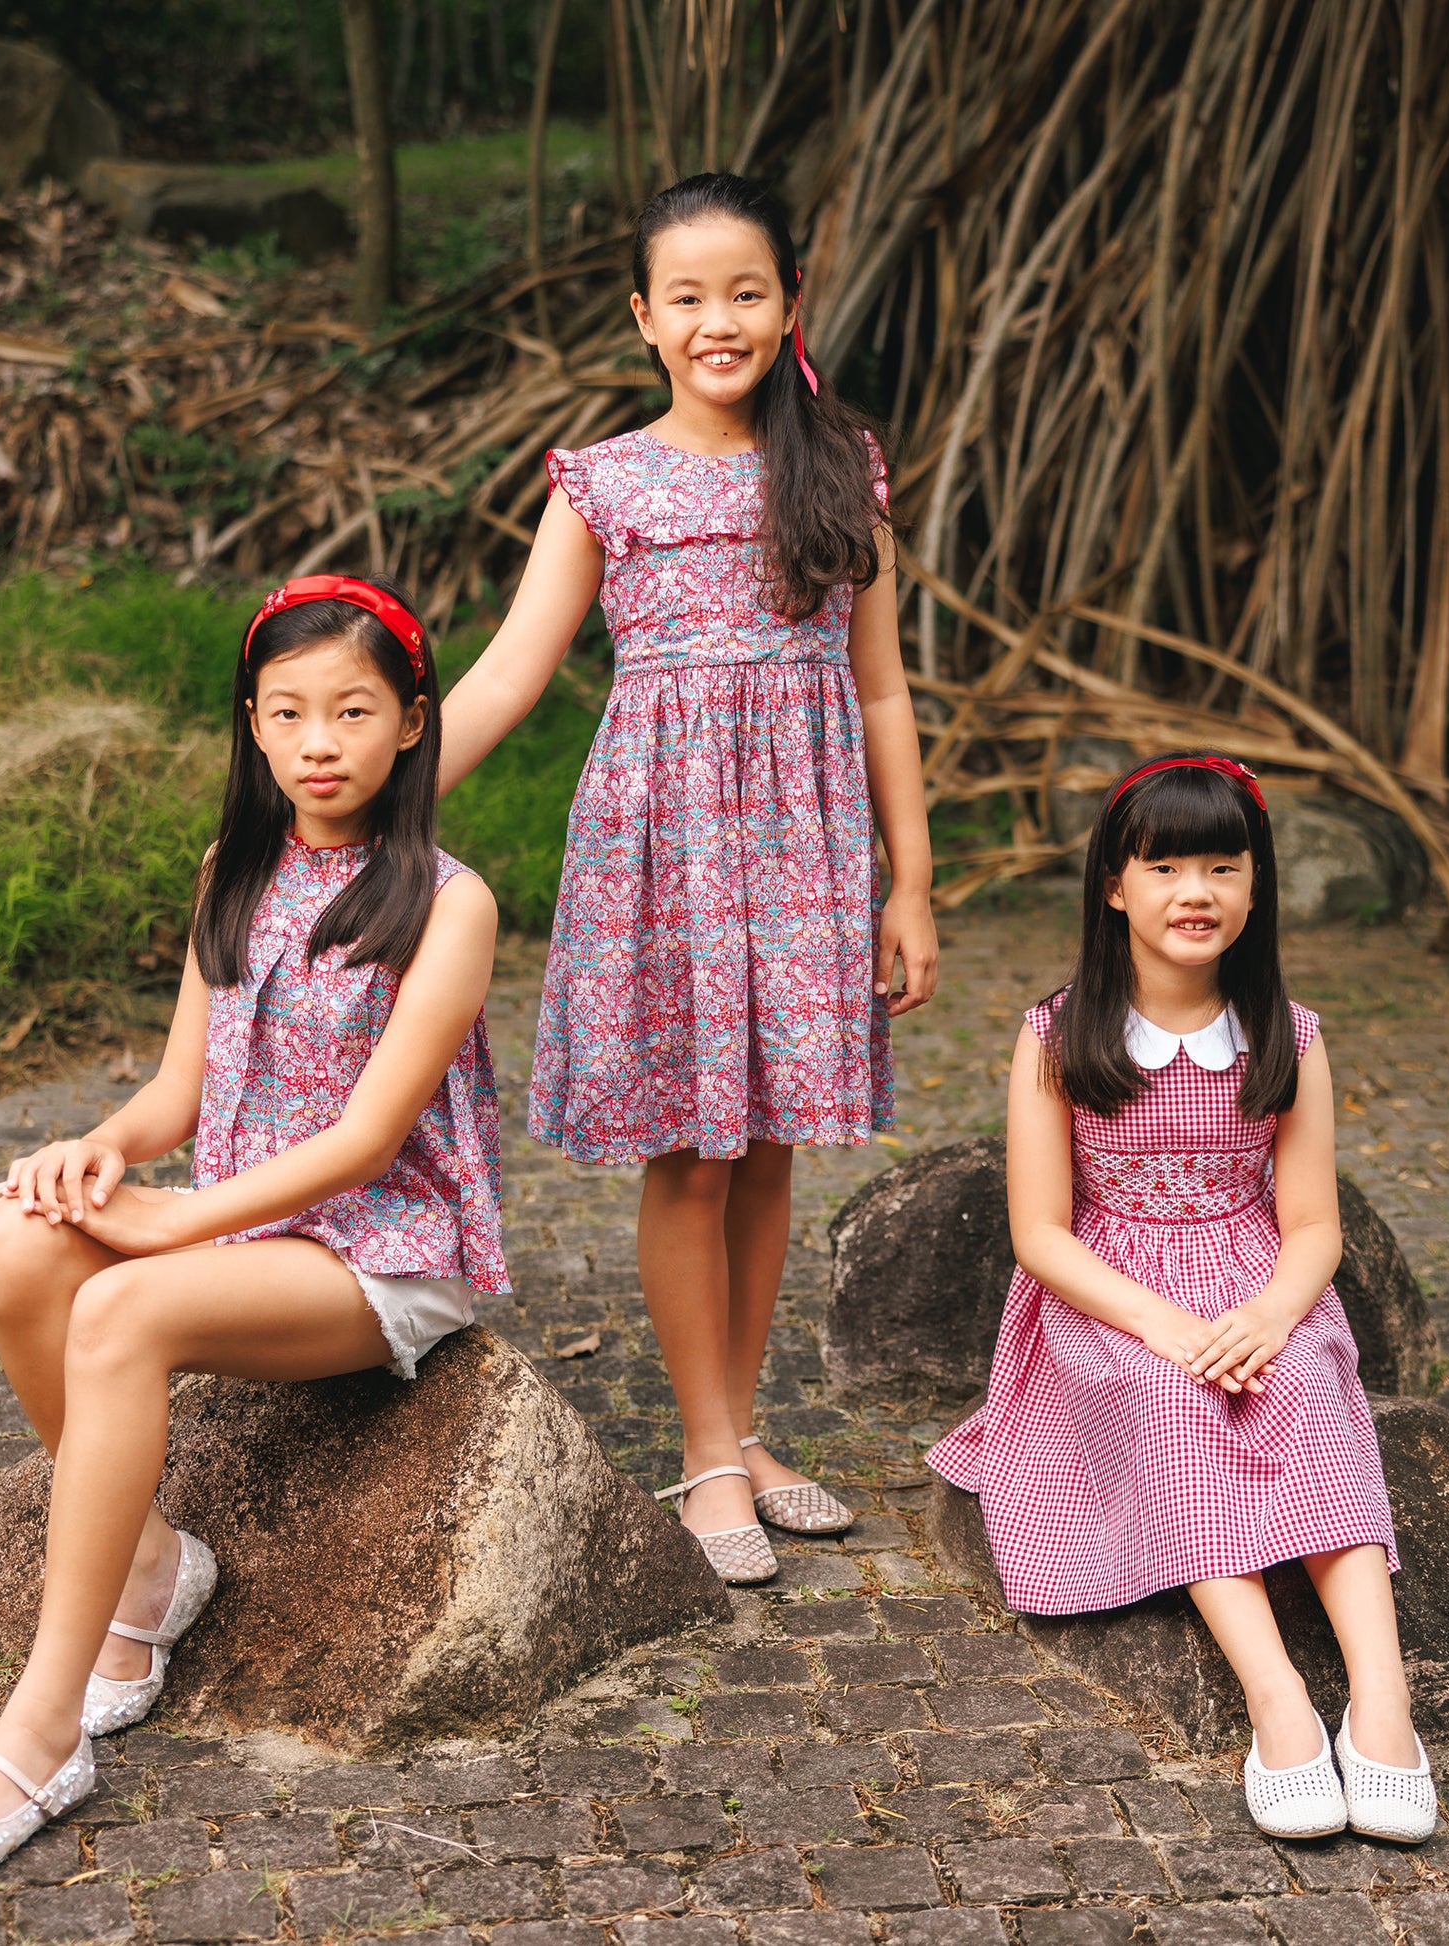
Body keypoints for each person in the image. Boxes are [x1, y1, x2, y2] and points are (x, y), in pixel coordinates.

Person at [0, 574, 507, 1878]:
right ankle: (155, 1568)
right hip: (236, 1232)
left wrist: (173, 1224)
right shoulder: (234, 868)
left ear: (410, 722)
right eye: (288, 711)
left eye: (352, 709)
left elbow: (364, 1143)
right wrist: (100, 1151)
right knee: (14, 1241)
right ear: (254, 724)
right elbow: (179, 1089)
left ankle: (44, 1728)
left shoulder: (450, 902)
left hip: (378, 1250)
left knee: (119, 1305)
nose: (319, 741)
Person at [437, 172, 938, 1584]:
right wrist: (357, 799)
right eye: (688, 297)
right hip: (664, 846)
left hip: (806, 845)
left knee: (767, 1142)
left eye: (746, 292)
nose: (719, 320)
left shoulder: (841, 467)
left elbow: (881, 689)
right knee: (694, 1153)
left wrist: (909, 882)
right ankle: (707, 1450)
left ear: (789, 306)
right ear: (643, 319)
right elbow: (508, 674)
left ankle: (742, 1428)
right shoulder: (602, 481)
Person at [927, 753, 1437, 1843]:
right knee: (1168, 1402)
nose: (1193, 892)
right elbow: (1039, 1233)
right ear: (1114, 886)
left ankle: (1382, 1701)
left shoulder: (1288, 1035)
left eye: (1220, 867)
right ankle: (1277, 1698)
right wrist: (1163, 1324)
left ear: (1255, 888)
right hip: (1108, 1296)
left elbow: (1313, 1223)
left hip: (1253, 1278)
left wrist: (1270, 1314)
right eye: (1163, 868)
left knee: (1309, 1396)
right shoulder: (1057, 1033)